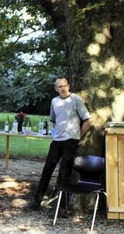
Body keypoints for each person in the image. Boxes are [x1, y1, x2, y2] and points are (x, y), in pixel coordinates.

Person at [24, 77, 92, 210]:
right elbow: (53, 120)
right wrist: (57, 132)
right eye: (59, 86)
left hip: (71, 141)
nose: (62, 88)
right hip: (57, 141)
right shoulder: (54, 101)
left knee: (64, 173)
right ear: (56, 89)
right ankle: (36, 201)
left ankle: (61, 207)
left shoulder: (75, 99)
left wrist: (77, 136)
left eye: (64, 85)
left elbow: (88, 121)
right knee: (47, 170)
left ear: (69, 86)